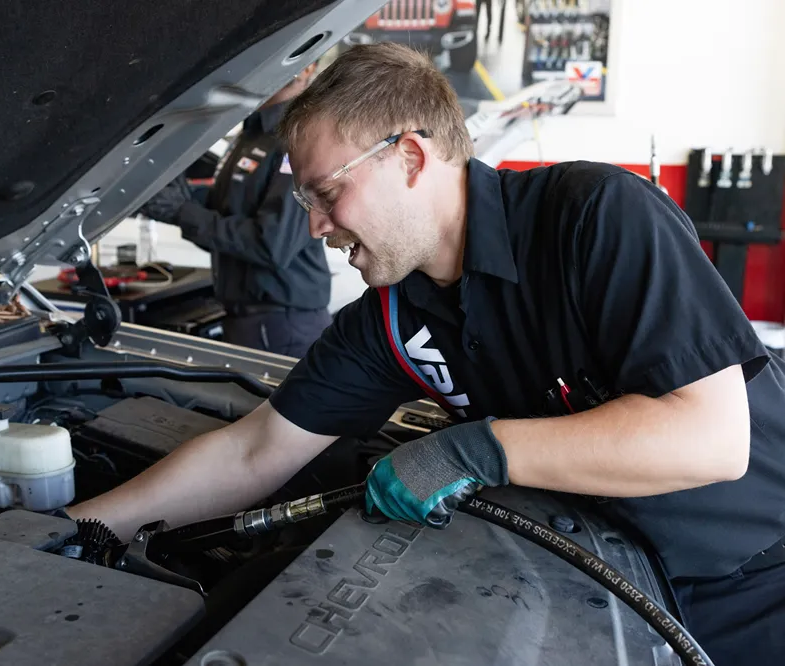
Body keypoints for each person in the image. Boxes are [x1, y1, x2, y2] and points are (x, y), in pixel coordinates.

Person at [72, 43, 785, 664]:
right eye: (305, 203)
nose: (317, 226)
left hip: (759, 581)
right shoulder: (391, 316)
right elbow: (253, 452)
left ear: (410, 156)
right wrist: (75, 530)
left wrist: (472, 451)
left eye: (327, 193)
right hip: (602, 585)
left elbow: (710, 439)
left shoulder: (596, 217)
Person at [136, 63, 332, 358]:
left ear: (308, 67)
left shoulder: (299, 138)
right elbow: (226, 219)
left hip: (282, 325)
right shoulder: (251, 133)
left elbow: (272, 245)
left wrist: (183, 212)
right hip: (245, 319)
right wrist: (179, 203)